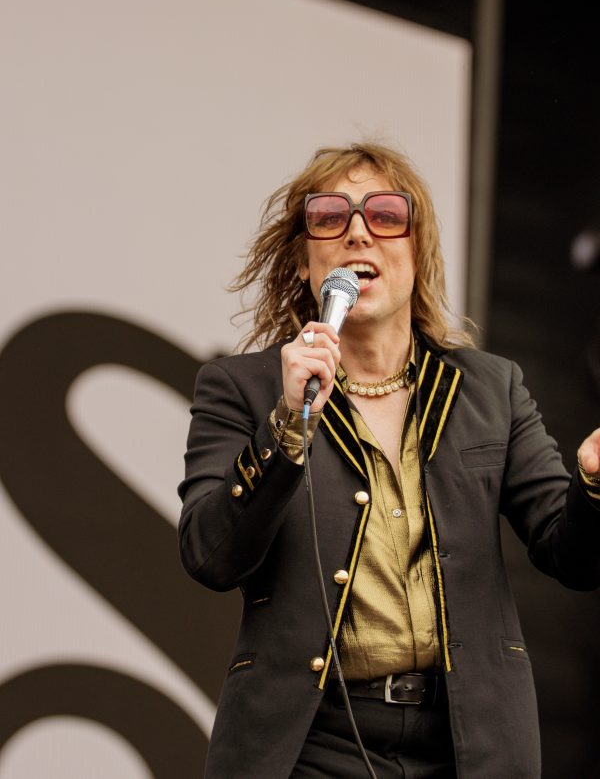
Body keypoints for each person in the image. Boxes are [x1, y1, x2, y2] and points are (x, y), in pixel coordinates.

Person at [178, 143, 600, 779]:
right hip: (308, 744)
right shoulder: (244, 388)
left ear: (416, 251)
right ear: (303, 262)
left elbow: (571, 555)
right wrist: (287, 423)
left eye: (384, 215)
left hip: (468, 744)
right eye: (329, 217)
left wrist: (593, 484)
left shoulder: (491, 388)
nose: (357, 232)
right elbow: (209, 556)